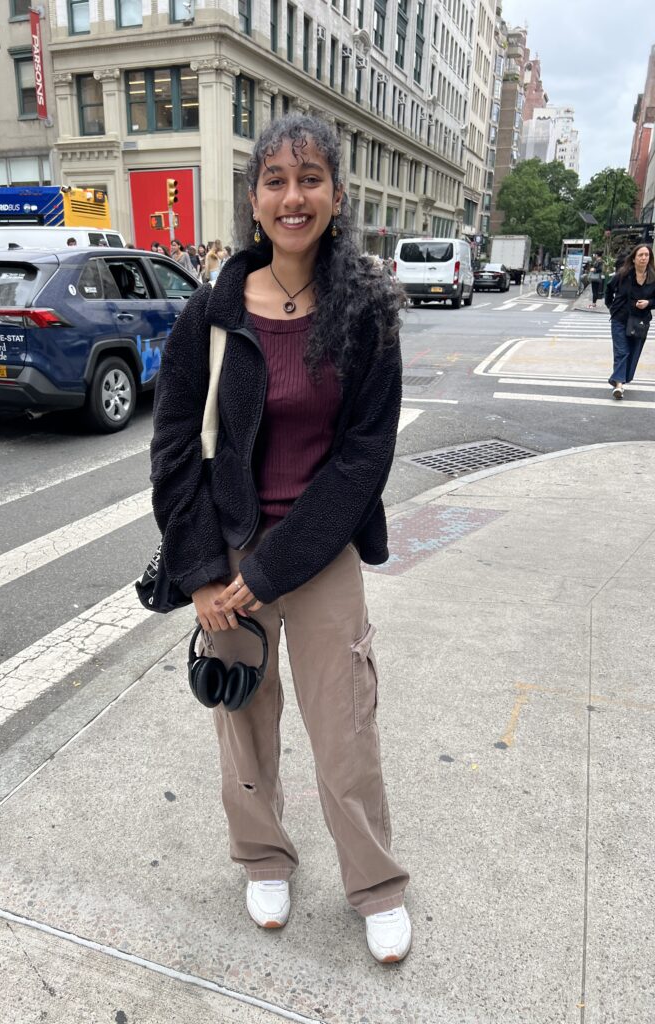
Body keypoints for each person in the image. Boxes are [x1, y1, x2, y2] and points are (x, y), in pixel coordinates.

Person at [150, 113, 411, 963]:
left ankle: (373, 884)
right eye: (275, 180)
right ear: (254, 199)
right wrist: (198, 574)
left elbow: (365, 458)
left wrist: (272, 571)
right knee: (242, 722)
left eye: (309, 178)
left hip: (321, 551)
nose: (292, 195)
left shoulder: (367, 313)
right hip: (223, 548)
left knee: (346, 726)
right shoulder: (211, 314)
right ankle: (264, 856)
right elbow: (175, 451)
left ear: (336, 195)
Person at [604, 243, 655, 400]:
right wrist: (611, 307)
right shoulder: (623, 274)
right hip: (620, 318)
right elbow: (609, 289)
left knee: (633, 353)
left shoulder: (653, 277)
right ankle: (619, 385)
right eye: (640, 255)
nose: (643, 258)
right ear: (633, 259)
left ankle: (621, 378)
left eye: (646, 255)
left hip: (640, 321)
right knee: (622, 352)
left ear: (650, 258)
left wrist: (649, 303)